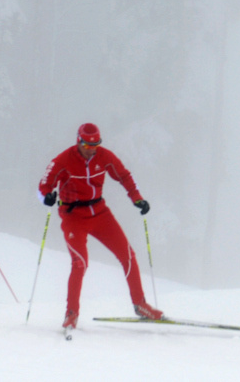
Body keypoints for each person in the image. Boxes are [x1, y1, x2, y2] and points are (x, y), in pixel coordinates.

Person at [38, 123, 162, 330]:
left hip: (99, 212)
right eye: (87, 145)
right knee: (80, 263)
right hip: (73, 216)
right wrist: (47, 197)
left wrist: (137, 198)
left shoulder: (104, 156)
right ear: (79, 141)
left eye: (95, 145)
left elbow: (124, 176)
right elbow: (44, 185)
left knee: (128, 255)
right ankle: (71, 314)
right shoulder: (63, 160)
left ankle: (140, 305)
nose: (91, 150)